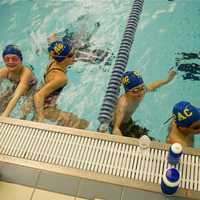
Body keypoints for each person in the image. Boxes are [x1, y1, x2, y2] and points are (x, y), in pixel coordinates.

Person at [34, 40, 89, 129]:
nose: (74, 56)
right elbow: (38, 96)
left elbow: (52, 42)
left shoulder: (52, 60)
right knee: (83, 124)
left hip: (45, 99)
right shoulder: (61, 78)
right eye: (70, 55)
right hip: (47, 109)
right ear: (62, 59)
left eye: (73, 52)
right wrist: (41, 119)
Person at [112, 68, 176, 138]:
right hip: (120, 127)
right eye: (135, 90)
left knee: (151, 141)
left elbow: (152, 86)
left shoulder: (141, 91)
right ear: (127, 91)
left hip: (129, 123)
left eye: (142, 88)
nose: (140, 93)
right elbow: (115, 129)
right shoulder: (123, 105)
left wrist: (167, 80)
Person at [0, 44, 37, 118]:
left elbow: (16, 96)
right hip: (15, 87)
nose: (10, 62)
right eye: (7, 59)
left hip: (30, 91)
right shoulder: (4, 71)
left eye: (14, 59)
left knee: (24, 112)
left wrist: (4, 116)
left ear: (20, 60)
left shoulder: (26, 73)